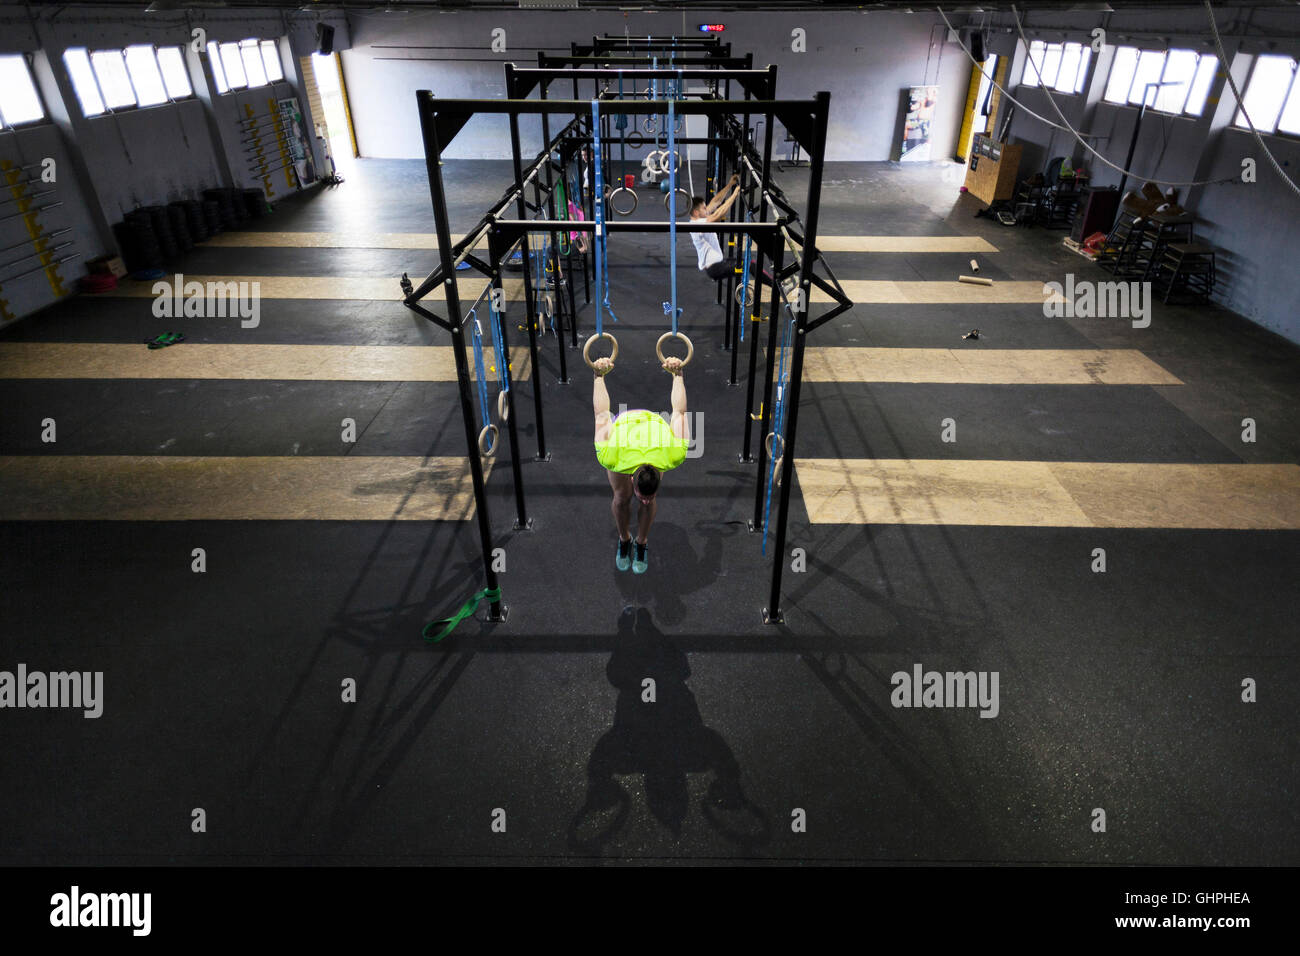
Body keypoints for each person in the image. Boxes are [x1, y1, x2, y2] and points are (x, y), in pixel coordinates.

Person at [592, 353, 690, 574]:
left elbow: (679, 412)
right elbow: (602, 414)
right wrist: (598, 375)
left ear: (658, 471)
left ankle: (642, 541)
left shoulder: (671, 454)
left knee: (648, 503)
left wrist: (678, 374)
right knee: (621, 497)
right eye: (642, 494)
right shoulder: (613, 456)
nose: (644, 500)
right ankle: (624, 538)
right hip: (624, 427)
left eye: (648, 495)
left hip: (653, 428)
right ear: (631, 478)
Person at [689, 173, 742, 281]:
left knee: (746, 263)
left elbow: (716, 202)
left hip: (718, 265)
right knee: (750, 265)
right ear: (696, 212)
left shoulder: (699, 219)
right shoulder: (697, 224)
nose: (707, 209)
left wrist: (730, 185)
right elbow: (717, 215)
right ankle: (777, 286)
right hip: (715, 268)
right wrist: (735, 194)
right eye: (704, 208)